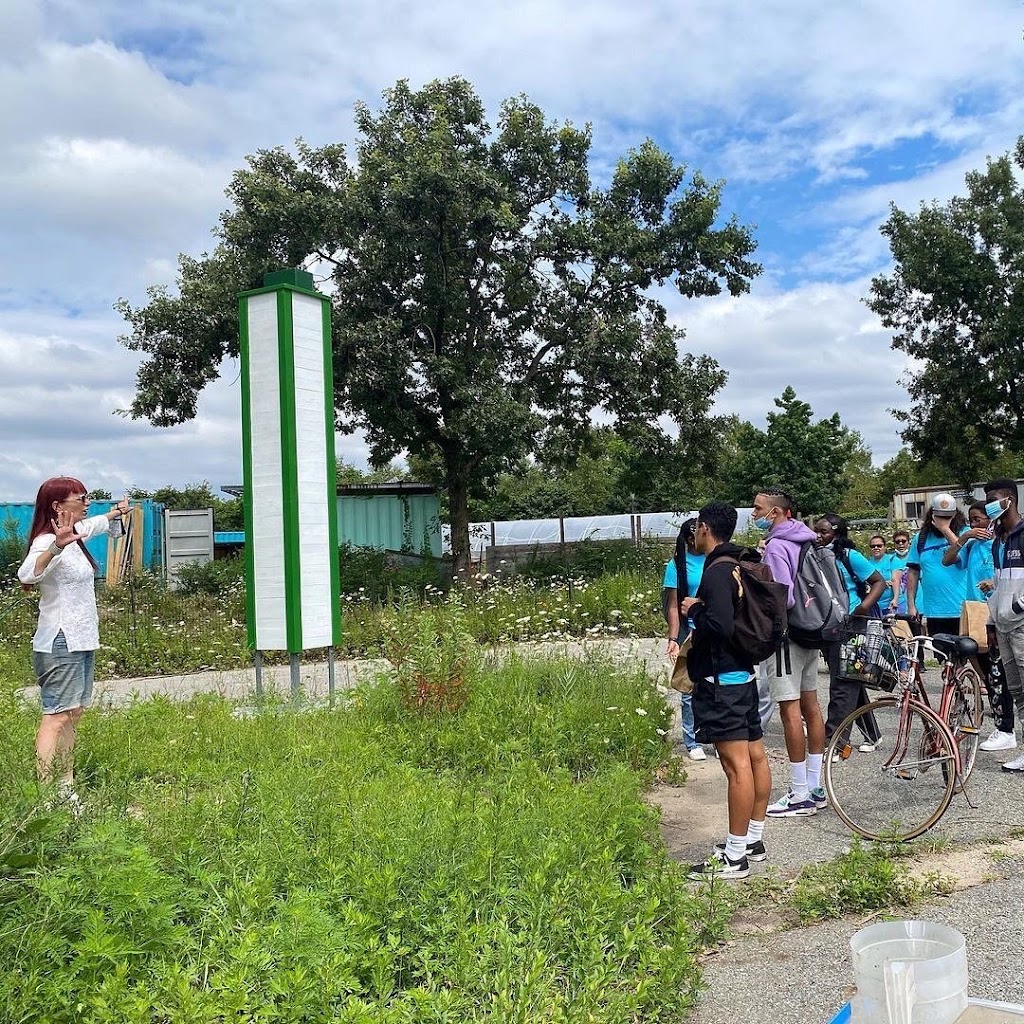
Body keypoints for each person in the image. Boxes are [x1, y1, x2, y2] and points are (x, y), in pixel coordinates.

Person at [17, 478, 130, 811]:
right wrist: (56, 547)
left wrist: (114, 515)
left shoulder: (76, 532)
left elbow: (94, 524)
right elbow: (27, 574)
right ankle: (46, 794)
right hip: (59, 638)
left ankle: (66, 786)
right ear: (58, 507)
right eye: (81, 497)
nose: (87, 502)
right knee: (56, 716)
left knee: (74, 713)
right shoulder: (48, 540)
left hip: (82, 638)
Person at [682, 502, 772, 881]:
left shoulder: (717, 570)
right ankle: (752, 840)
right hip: (744, 676)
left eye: (696, 529)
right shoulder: (740, 561)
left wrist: (693, 609)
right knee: (755, 758)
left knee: (736, 768)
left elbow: (718, 625)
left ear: (704, 527)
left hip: (723, 683)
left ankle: (735, 858)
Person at [750, 488, 826, 818]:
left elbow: (784, 598)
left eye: (758, 509)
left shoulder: (778, 546)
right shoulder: (806, 539)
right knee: (811, 706)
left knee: (789, 711)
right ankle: (816, 786)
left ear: (777, 513)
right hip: (812, 632)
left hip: (787, 639)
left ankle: (798, 794)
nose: (754, 515)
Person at [815, 513, 887, 760]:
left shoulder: (849, 556)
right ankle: (873, 734)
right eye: (816, 531)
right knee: (850, 681)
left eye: (823, 532)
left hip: (853, 626)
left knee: (842, 686)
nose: (818, 536)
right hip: (831, 626)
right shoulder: (816, 557)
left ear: (836, 532)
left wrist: (862, 609)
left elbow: (879, 583)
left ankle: (835, 742)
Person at [941, 501, 1012, 753]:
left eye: (978, 519)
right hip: (975, 612)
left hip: (999, 612)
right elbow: (947, 560)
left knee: (1000, 668)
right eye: (971, 520)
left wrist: (992, 583)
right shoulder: (970, 542)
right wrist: (965, 537)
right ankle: (998, 713)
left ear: (991, 519)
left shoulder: (1003, 542)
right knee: (981, 664)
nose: (974, 524)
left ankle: (1005, 720)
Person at [981, 479, 1024, 773]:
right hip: (1004, 627)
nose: (989, 506)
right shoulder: (999, 539)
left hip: (1021, 624)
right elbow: (998, 585)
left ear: (1009, 499)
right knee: (1018, 691)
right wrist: (992, 621)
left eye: (993, 499)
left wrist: (1018, 607)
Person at [663, 518, 707, 761]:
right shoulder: (676, 566)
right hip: (689, 632)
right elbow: (672, 605)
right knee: (689, 688)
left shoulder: (714, 558)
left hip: (712, 628)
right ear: (689, 539)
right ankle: (692, 740)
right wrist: (673, 637)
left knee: (714, 686)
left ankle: (714, 733)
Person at [905, 493, 967, 637]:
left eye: (948, 517)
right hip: (934, 609)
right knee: (941, 654)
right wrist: (911, 605)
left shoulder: (964, 533)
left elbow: (963, 554)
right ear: (932, 515)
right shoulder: (920, 538)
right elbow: (913, 573)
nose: (944, 521)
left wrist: (945, 529)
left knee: (968, 654)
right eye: (940, 517)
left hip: (961, 607)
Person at [888, 529, 913, 615]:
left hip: (916, 601)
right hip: (899, 603)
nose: (901, 544)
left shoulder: (915, 558)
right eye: (897, 542)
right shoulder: (890, 560)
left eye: (903, 541)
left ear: (908, 542)